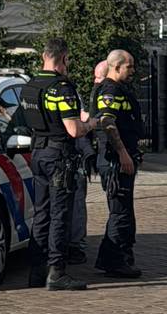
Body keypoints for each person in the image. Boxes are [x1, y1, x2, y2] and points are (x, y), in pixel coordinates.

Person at [20, 38, 96, 291]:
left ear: (44, 56)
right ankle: (57, 272)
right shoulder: (61, 89)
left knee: (41, 213)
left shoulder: (29, 87)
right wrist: (92, 125)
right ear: (63, 57)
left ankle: (36, 271)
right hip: (59, 157)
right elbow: (74, 130)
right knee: (60, 214)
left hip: (38, 155)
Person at [94, 50, 144, 279]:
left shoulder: (120, 89)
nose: (132, 71)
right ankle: (114, 261)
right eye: (129, 67)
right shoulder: (110, 90)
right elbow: (107, 121)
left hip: (122, 158)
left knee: (124, 211)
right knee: (120, 212)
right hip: (115, 161)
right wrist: (122, 152)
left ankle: (114, 258)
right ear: (116, 67)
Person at [66, 60, 109, 265]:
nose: (94, 81)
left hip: (80, 156)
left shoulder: (105, 96)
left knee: (76, 204)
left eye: (98, 78)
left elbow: (90, 120)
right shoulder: (75, 94)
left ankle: (76, 246)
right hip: (75, 154)